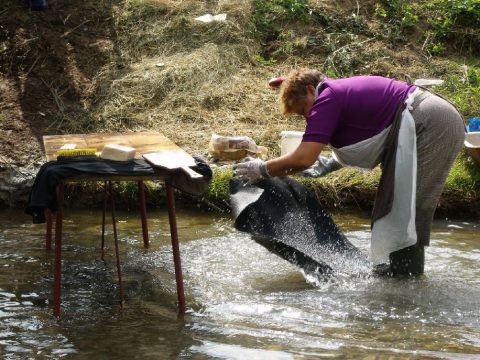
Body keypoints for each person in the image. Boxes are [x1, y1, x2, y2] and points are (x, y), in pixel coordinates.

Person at [234, 68, 465, 276]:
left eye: (303, 109)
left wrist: (262, 169)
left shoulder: (327, 98)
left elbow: (304, 158)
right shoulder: (333, 95)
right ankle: (398, 273)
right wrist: (334, 163)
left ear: (310, 90)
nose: (306, 118)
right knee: (394, 203)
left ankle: (406, 283)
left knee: (407, 208)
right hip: (422, 121)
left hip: (431, 123)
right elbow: (368, 129)